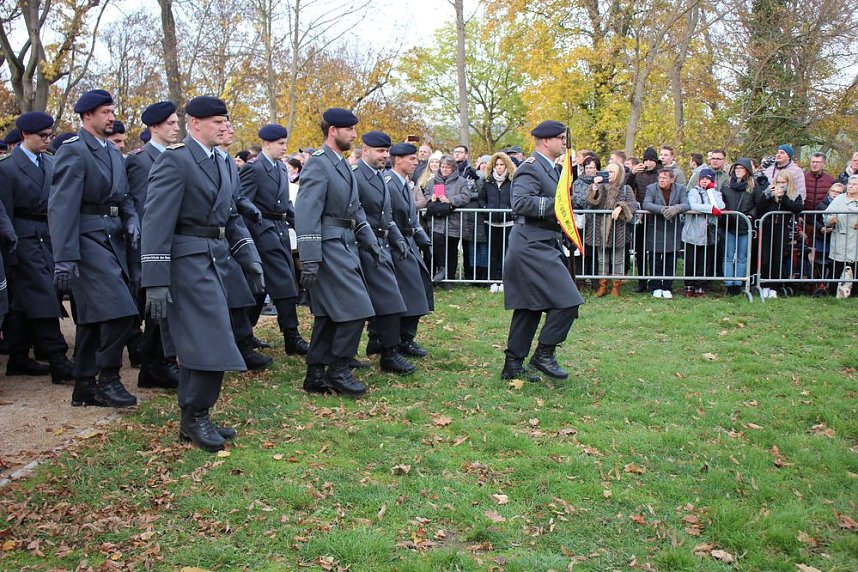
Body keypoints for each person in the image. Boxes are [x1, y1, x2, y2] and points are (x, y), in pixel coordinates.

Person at [142, 96, 264, 452]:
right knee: (210, 339)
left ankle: (193, 416)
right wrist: (156, 280)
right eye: (216, 122)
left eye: (226, 121)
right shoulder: (176, 161)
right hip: (186, 262)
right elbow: (156, 223)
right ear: (194, 123)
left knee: (204, 340)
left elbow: (230, 217)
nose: (224, 127)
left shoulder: (224, 161)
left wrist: (249, 258)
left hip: (216, 258)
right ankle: (196, 415)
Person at [48, 89, 140, 407]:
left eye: (111, 111)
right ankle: (108, 378)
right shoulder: (74, 151)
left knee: (90, 318)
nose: (111, 116)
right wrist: (64, 258)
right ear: (87, 116)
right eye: (104, 112)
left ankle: (84, 387)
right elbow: (61, 207)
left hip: (113, 238)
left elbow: (124, 196)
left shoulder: (113, 152)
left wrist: (131, 220)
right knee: (121, 310)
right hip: (86, 239)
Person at [294, 107, 379, 397]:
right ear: (333, 130)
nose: (355, 135)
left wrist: (369, 240)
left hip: (345, 242)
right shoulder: (319, 164)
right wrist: (310, 257)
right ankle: (339, 369)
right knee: (358, 308)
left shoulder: (341, 164)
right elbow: (306, 212)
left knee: (330, 314)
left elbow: (355, 209)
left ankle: (315, 374)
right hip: (328, 245)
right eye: (350, 130)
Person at [501, 120, 583, 383]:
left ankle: (512, 366)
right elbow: (521, 203)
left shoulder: (554, 170)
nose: (564, 142)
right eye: (560, 138)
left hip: (543, 241)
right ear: (546, 141)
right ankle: (544, 354)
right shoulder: (530, 168)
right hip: (530, 244)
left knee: (529, 307)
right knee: (568, 301)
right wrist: (557, 206)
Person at [0, 111, 75, 382]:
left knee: (27, 298)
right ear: (24, 135)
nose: (47, 140)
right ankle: (57, 357)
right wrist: (8, 242)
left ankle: (18, 355)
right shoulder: (7, 167)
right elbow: (4, 210)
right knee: (42, 292)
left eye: (49, 135)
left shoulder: (51, 164)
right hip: (22, 237)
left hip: (48, 234)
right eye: (42, 136)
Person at [237, 123, 309, 360]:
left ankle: (244, 333)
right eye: (280, 144)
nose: (284, 148)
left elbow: (285, 203)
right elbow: (243, 201)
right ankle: (291, 335)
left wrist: (300, 225)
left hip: (278, 230)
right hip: (261, 232)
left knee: (260, 288)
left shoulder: (279, 167)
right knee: (285, 284)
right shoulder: (253, 169)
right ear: (267, 144)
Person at [124, 101, 182, 389]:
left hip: (175, 241)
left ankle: (158, 364)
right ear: (154, 127)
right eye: (170, 123)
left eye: (176, 122)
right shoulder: (140, 160)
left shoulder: (178, 157)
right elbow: (143, 206)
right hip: (152, 243)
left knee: (167, 307)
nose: (176, 127)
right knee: (156, 308)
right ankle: (154, 364)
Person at [353, 131, 414, 374]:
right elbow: (355, 214)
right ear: (365, 150)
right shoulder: (356, 176)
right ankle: (384, 353)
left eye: (386, 151)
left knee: (389, 301)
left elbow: (386, 218)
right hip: (362, 246)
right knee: (370, 304)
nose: (385, 156)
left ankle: (386, 350)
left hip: (381, 245)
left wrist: (399, 240)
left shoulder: (380, 177)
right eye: (380, 151)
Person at [387, 142, 433, 357]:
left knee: (419, 289)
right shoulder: (388, 183)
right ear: (398, 160)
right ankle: (394, 340)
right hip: (395, 244)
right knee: (408, 293)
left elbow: (412, 218)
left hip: (409, 241)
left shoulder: (406, 183)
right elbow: (387, 217)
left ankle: (405, 338)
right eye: (412, 159)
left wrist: (424, 240)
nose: (416, 162)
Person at [580, 161, 638, 297]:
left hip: (618, 228)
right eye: (608, 171)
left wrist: (620, 206)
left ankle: (616, 287)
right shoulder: (600, 187)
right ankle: (602, 286)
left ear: (619, 174)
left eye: (612, 172)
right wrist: (594, 186)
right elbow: (590, 201)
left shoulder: (625, 189)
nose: (609, 174)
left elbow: (633, 204)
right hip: (600, 227)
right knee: (602, 259)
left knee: (618, 259)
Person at [424, 155, 471, 288]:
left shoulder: (461, 181)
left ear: (453, 168)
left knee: (451, 251)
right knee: (435, 251)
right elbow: (425, 194)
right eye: (442, 166)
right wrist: (430, 198)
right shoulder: (432, 181)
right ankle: (435, 278)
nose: (444, 169)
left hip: (453, 222)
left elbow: (465, 196)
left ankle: (449, 280)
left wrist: (450, 199)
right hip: (436, 222)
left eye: (447, 167)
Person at [756, 170, 803, 298]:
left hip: (782, 228)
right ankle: (763, 285)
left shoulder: (794, 194)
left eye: (783, 182)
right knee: (765, 259)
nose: (781, 185)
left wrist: (783, 197)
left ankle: (774, 287)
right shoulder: (769, 192)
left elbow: (797, 208)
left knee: (777, 259)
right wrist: (768, 195)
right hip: (767, 227)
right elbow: (759, 208)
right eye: (778, 182)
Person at [643, 168, 689, 298]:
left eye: (664, 178)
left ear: (672, 179)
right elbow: (646, 204)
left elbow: (686, 204)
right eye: (659, 178)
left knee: (671, 259)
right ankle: (655, 286)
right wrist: (663, 209)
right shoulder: (651, 188)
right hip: (656, 228)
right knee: (655, 259)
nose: (661, 180)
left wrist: (676, 208)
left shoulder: (680, 188)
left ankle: (668, 286)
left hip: (673, 229)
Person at [682, 168, 725, 297]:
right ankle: (689, 284)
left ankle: (701, 285)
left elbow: (720, 206)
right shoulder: (693, 192)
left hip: (708, 234)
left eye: (708, 179)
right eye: (703, 178)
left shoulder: (716, 193)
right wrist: (710, 209)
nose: (705, 181)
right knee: (691, 260)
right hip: (693, 232)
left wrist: (711, 191)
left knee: (704, 260)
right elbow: (693, 205)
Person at [722, 158, 758, 295]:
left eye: (741, 168)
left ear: (747, 171)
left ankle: (738, 283)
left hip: (744, 225)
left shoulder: (753, 186)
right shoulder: (726, 185)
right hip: (729, 225)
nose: (738, 171)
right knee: (728, 255)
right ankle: (728, 283)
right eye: (736, 168)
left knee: (742, 256)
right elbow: (721, 201)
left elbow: (757, 204)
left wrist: (750, 215)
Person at [478, 152, 516, 283]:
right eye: (497, 165)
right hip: (491, 222)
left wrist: (511, 211)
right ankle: (494, 281)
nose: (499, 167)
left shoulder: (512, 182)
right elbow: (481, 198)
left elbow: (516, 199)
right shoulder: (488, 182)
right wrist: (485, 210)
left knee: (507, 253)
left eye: (502, 164)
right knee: (493, 254)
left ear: (507, 166)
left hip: (508, 223)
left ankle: (505, 281)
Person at [627, 147, 660, 292]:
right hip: (641, 216)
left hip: (656, 216)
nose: (648, 163)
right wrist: (632, 173)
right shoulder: (638, 174)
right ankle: (641, 281)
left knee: (654, 250)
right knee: (639, 250)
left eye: (651, 160)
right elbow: (627, 186)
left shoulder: (661, 173)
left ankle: (654, 281)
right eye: (646, 160)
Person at [823, 175, 858, 297]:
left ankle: (854, 294)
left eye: (855, 184)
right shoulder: (839, 199)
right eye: (850, 183)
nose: (851, 186)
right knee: (837, 267)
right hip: (840, 239)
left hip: (856, 240)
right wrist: (831, 220)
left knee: (855, 267)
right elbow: (826, 216)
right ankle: (832, 292)